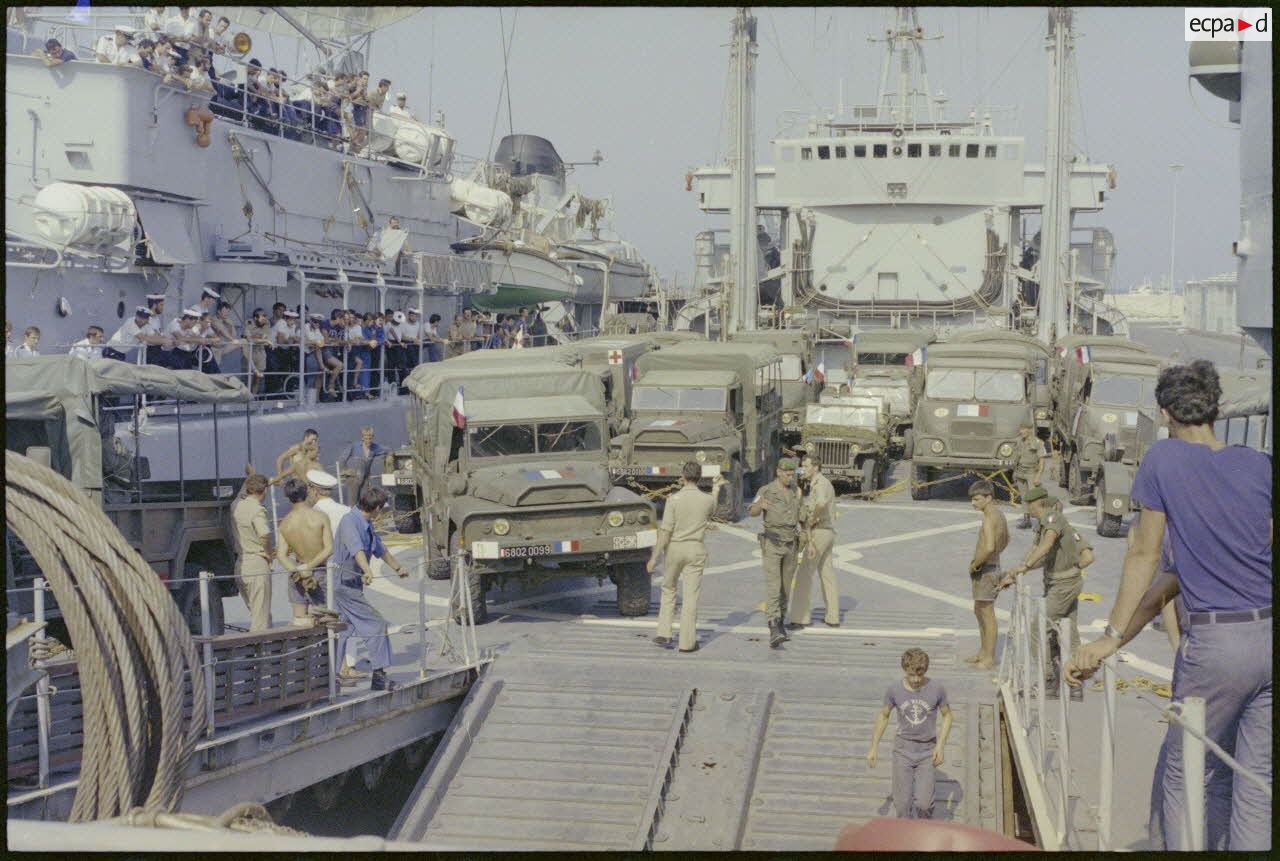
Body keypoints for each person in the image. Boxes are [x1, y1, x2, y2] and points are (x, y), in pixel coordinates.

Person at [1065, 361, 1271, 851]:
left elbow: (1144, 554)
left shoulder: (1164, 459)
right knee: (1254, 780)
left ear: (1164, 412)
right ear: (1217, 409)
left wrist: (1110, 637)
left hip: (1218, 646)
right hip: (1267, 637)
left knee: (1185, 774)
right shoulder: (1260, 464)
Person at [998, 486, 1092, 700]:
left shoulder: (1052, 519)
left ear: (1034, 504)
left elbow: (1046, 546)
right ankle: (1074, 682)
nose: (1026, 509)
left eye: (1026, 504)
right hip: (1061, 583)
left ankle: (1049, 680)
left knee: (1037, 629)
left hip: (1062, 585)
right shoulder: (1046, 525)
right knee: (1068, 633)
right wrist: (1015, 573)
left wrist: (1065, 572)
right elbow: (1041, 554)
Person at [332, 487, 409, 692]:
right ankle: (379, 677)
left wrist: (398, 567)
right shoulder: (350, 521)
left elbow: (379, 548)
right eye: (381, 509)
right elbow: (356, 548)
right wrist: (367, 570)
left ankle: (331, 679)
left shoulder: (366, 523)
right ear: (375, 508)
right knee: (375, 624)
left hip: (351, 585)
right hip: (344, 585)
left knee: (343, 629)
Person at [866, 648, 953, 820]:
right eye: (911, 675)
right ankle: (905, 835)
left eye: (920, 676)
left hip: (927, 751)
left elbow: (948, 716)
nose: (915, 680)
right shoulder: (894, 690)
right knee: (902, 804)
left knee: (924, 804)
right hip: (902, 750)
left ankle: (923, 830)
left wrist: (941, 747)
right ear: (905, 670)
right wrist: (873, 748)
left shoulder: (937, 689)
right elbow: (883, 715)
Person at [648, 462, 722, 653]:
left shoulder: (674, 499)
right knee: (691, 597)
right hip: (696, 548)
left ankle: (664, 633)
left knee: (668, 589)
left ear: (683, 476)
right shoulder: (706, 500)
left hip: (675, 548)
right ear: (699, 477)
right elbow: (713, 508)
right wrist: (716, 487)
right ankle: (687, 643)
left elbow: (665, 531)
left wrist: (654, 557)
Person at [748, 457, 803, 648]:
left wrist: (808, 539)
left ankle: (780, 622)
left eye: (792, 474)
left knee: (786, 587)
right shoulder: (766, 491)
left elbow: (802, 516)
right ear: (778, 472)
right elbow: (752, 511)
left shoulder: (796, 491)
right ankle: (773, 626)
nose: (790, 477)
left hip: (791, 543)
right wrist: (759, 506)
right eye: (787, 474)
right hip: (772, 542)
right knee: (774, 586)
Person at [789, 454, 840, 629]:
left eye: (806, 465)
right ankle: (833, 617)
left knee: (804, 574)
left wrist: (811, 520)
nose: (803, 469)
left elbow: (821, 503)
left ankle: (800, 617)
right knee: (827, 574)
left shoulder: (820, 483)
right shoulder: (819, 483)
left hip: (819, 532)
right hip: (828, 532)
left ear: (816, 467)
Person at [964, 479, 1009, 670]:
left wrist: (976, 563)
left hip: (986, 569)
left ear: (988, 497)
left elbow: (989, 546)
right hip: (991, 566)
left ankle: (989, 657)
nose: (973, 503)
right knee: (979, 610)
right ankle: (983, 651)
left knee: (987, 614)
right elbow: (1007, 539)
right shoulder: (999, 514)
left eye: (977, 499)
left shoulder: (989, 518)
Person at [276, 477, 332, 628]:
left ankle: (303, 650)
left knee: (299, 621)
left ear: (288, 497)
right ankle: (327, 652)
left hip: (296, 574)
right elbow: (328, 548)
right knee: (326, 621)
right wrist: (309, 567)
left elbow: (281, 555)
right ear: (307, 493)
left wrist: (297, 570)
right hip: (318, 570)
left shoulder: (285, 522)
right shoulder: (320, 517)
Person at [232, 473, 274, 631]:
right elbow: (264, 533)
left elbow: (241, 492)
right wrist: (269, 553)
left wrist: (249, 476)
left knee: (258, 613)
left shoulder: (236, 505)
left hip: (241, 563)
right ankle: (260, 653)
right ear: (265, 491)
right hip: (257, 563)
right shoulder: (256, 510)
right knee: (260, 619)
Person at [341, 426, 390, 506]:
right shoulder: (354, 446)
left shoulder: (374, 447)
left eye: (370, 438)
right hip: (354, 478)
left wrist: (390, 455)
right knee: (353, 502)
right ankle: (353, 517)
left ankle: (363, 517)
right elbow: (343, 458)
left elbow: (387, 449)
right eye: (366, 438)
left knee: (365, 501)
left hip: (365, 479)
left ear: (372, 438)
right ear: (362, 438)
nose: (368, 441)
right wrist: (345, 470)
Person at [1011, 423, 1047, 529]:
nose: (1021, 431)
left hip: (1031, 473)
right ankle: (1026, 520)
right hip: (1020, 472)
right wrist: (1014, 472)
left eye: (1023, 429)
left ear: (1030, 430)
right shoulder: (1019, 441)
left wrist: (1038, 476)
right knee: (1024, 497)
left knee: (1035, 498)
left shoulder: (1038, 443)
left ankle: (1041, 522)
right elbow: (1016, 458)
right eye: (1021, 429)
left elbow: (1042, 461)